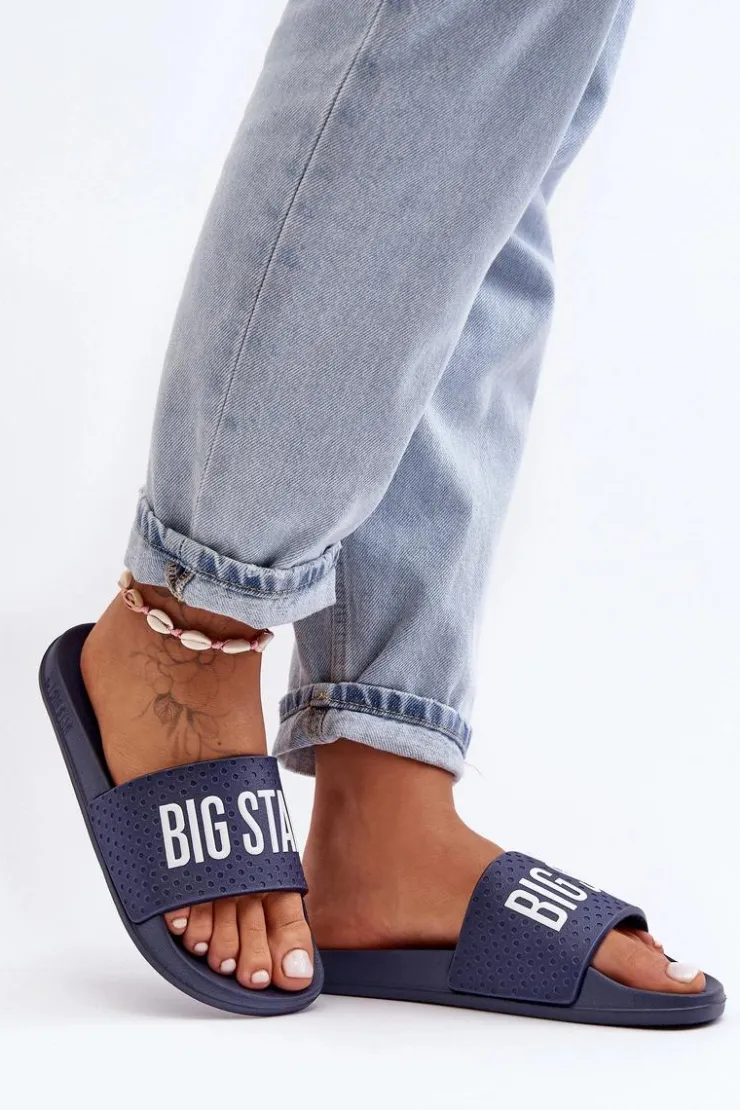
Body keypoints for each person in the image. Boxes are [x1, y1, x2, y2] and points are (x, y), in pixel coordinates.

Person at [42, 0, 725, 1024]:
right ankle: (188, 626)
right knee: (455, 31)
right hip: (192, 607)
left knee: (503, 134)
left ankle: (383, 789)